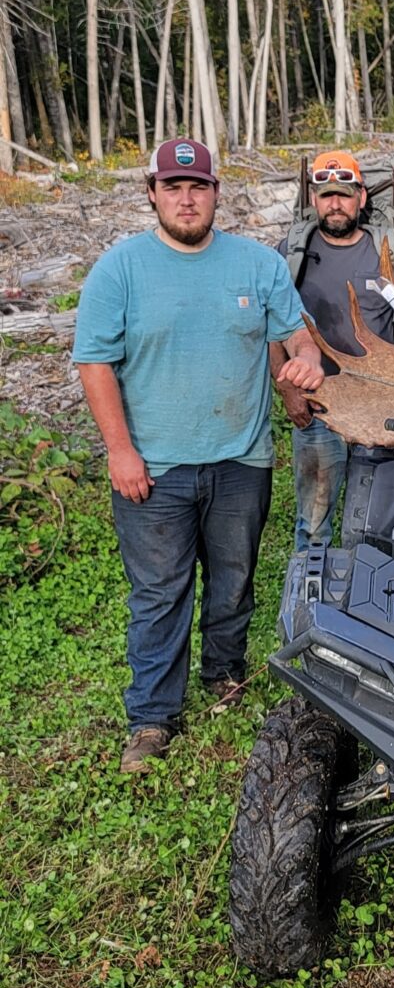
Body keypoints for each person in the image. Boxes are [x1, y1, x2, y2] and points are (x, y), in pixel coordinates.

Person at [73, 139, 325, 774]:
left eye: (199, 187)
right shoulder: (120, 268)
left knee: (234, 579)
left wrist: (307, 359)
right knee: (160, 592)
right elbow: (94, 362)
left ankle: (223, 672)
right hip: (152, 469)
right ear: (152, 194)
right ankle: (152, 717)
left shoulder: (256, 264)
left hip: (241, 459)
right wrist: (121, 451)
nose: (187, 199)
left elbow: (295, 331)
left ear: (216, 193)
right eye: (173, 187)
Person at [272, 151, 394, 551]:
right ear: (313, 199)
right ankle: (311, 599)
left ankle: (366, 602)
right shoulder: (292, 253)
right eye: (326, 195)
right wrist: (288, 390)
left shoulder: (385, 251)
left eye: (343, 195)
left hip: (376, 405)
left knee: (375, 522)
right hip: (319, 404)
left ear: (362, 197)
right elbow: (273, 324)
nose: (334, 204)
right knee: (313, 522)